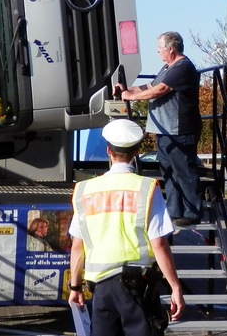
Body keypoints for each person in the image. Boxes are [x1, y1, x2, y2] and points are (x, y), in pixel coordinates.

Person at [67, 119, 185, 336]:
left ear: (108, 151)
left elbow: (77, 246)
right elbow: (159, 243)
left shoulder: (85, 190)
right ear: (137, 151)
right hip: (137, 288)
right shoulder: (146, 188)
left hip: (101, 289)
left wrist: (75, 288)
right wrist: (175, 287)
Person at [115, 31, 202, 226]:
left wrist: (133, 98)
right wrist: (127, 89)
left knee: (184, 170)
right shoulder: (167, 67)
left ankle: (193, 211)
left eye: (160, 48)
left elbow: (161, 89)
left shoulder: (183, 67)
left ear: (171, 49)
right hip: (164, 131)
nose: (158, 52)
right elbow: (151, 85)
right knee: (169, 171)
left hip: (179, 130)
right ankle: (175, 210)